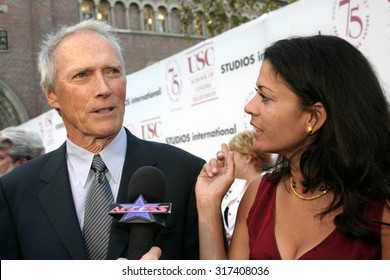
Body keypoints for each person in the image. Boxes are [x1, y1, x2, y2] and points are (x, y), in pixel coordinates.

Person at [0, 19, 205, 260]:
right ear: (51, 94)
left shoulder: (186, 173)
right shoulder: (15, 191)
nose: (104, 88)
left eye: (112, 71)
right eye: (82, 75)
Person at [195, 35, 390, 259]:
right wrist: (208, 204)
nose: (250, 107)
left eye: (265, 96)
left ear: (312, 117)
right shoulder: (257, 194)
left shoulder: (380, 208)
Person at [221, 130, 273, 244]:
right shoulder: (236, 190)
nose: (228, 160)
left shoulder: (269, 186)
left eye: (232, 155)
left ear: (248, 157)